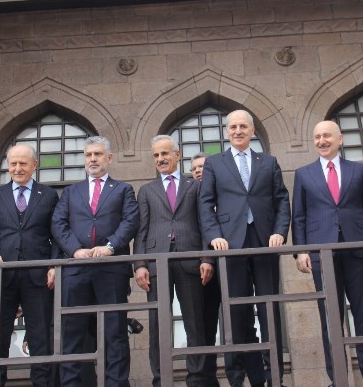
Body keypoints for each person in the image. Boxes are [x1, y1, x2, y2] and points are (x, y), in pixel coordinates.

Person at [291, 121, 363, 387]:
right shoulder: (304, 174)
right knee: (330, 318)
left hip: (357, 249)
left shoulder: (357, 170)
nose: (322, 141)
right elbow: (299, 215)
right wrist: (301, 250)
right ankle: (338, 379)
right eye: (317, 137)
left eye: (327, 136)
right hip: (322, 253)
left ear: (340, 139)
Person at [199, 110, 290, 387]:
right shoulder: (215, 163)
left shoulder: (268, 162)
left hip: (264, 241)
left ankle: (275, 377)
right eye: (232, 127)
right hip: (230, 245)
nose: (237, 131)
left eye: (242, 126)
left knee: (269, 309)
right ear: (227, 132)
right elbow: (206, 204)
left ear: (252, 130)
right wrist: (215, 236)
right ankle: (243, 378)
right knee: (236, 314)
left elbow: (282, 200)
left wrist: (279, 232)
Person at [51, 136, 139, 387]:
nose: (93, 159)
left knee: (115, 332)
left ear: (109, 158)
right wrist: (75, 250)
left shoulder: (123, 189)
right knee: (72, 333)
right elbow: (58, 223)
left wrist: (110, 247)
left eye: (98, 154)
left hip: (111, 270)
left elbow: (130, 221)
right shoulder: (71, 192)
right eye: (88, 155)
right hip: (76, 269)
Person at [134, 135, 213, 386]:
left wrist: (206, 258)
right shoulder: (146, 191)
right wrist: (140, 265)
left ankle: (197, 379)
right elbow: (141, 230)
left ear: (177, 155)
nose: (160, 159)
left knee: (195, 323)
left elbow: (205, 224)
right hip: (156, 263)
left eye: (165, 154)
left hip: (190, 259)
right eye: (156, 155)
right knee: (158, 325)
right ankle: (161, 379)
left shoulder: (195, 186)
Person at [0, 144, 59, 386]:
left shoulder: (48, 195)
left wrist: (53, 265)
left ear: (34, 165)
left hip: (38, 276)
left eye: (23, 163)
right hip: (2, 276)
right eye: (13, 164)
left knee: (40, 336)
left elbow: (56, 234)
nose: (17, 168)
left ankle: (42, 383)